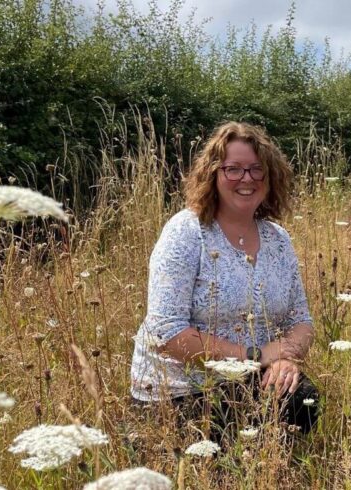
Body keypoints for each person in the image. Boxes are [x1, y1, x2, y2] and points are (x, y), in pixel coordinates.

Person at [130, 121, 318, 435]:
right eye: (234, 169)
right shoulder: (187, 232)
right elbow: (166, 333)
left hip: (250, 379)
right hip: (181, 390)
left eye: (257, 170)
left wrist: (285, 358)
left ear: (270, 178)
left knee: (302, 400)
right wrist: (255, 357)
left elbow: (302, 320)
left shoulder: (278, 239)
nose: (247, 179)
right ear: (214, 174)